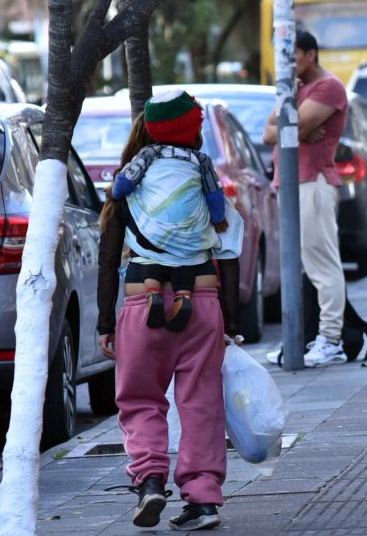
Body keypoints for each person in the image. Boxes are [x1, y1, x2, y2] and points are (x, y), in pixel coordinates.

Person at [97, 115, 243, 531]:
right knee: (201, 403)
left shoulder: (126, 192)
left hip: (142, 304)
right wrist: (231, 320)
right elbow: (229, 255)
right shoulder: (203, 179)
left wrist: (105, 323)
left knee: (141, 399)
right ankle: (202, 500)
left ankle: (150, 480)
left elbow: (108, 261)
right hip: (202, 304)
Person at [109, 89, 229, 331]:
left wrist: (115, 192)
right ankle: (183, 296)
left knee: (152, 256)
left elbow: (125, 182)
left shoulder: (148, 154)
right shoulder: (201, 161)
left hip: (153, 233)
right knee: (186, 258)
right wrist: (218, 218)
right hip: (191, 236)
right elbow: (214, 194)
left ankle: (153, 291)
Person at [262, 30, 348, 368]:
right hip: (291, 183)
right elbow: (270, 131)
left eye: (292, 56)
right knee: (299, 268)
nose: (286, 64)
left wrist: (292, 125)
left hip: (313, 184)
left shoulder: (328, 87)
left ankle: (331, 340)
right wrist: (290, 123)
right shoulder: (296, 88)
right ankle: (298, 339)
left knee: (322, 264)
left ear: (310, 54)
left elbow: (287, 129)